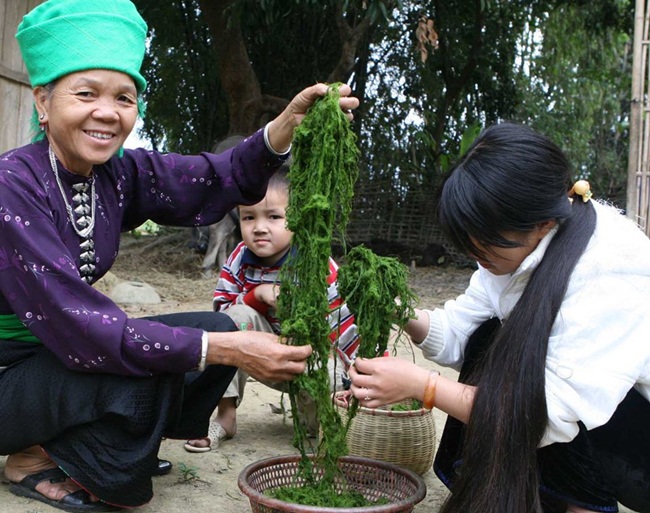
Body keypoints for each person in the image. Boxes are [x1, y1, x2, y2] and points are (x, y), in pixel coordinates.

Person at [0, 0, 359, 511]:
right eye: (86, 93)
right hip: (9, 373)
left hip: (56, 355)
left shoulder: (116, 173)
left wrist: (283, 128)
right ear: (42, 100)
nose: (108, 111)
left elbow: (213, 178)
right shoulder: (11, 187)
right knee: (153, 371)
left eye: (124, 97)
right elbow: (82, 329)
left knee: (220, 329)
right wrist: (227, 353)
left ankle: (89, 442)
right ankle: (30, 457)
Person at [347, 122, 650, 513]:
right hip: (590, 424)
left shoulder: (610, 267)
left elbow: (547, 414)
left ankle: (582, 505)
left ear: (541, 223)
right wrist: (395, 308)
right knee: (491, 335)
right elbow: (461, 332)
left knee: (536, 372)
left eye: (486, 244)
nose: (479, 258)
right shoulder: (518, 252)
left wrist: (423, 385)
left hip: (639, 452)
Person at [184, 163, 359, 452]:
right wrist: (257, 295)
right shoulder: (240, 258)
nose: (259, 228)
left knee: (316, 429)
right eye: (248, 217)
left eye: (274, 217)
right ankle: (225, 417)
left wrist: (364, 370)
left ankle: (312, 419)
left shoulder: (315, 264)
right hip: (258, 354)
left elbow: (342, 322)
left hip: (307, 361)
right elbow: (220, 314)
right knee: (232, 321)